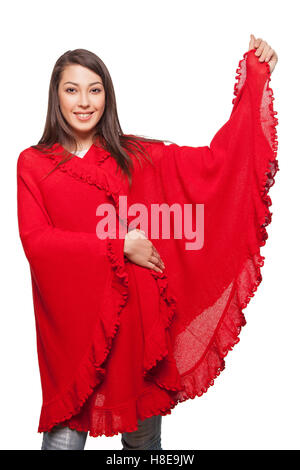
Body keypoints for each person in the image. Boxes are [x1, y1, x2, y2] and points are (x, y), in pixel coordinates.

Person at [17, 34, 279, 450]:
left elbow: (215, 167)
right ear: (57, 97)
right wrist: (119, 244)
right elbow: (38, 243)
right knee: (62, 443)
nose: (84, 101)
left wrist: (255, 81)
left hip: (137, 342)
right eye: (72, 90)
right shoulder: (34, 164)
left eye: (94, 89)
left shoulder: (135, 156)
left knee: (144, 451)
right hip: (72, 344)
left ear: (107, 96)